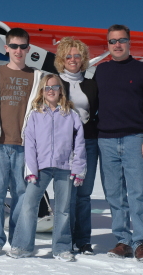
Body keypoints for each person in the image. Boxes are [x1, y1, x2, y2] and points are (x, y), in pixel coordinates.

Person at [93, 24, 143, 263]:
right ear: (108, 44)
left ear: (129, 42)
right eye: (112, 41)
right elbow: (92, 107)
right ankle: (123, 240)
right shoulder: (100, 72)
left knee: (137, 193)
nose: (117, 45)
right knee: (114, 194)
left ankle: (141, 242)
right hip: (106, 140)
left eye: (121, 40)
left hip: (135, 139)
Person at [0, 28, 43, 256]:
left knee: (21, 195)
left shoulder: (37, 77)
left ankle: (17, 240)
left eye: (22, 46)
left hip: (25, 146)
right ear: (6, 48)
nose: (18, 50)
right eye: (13, 46)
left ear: (28, 49)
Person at [7, 74, 87, 262]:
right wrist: (31, 170)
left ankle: (61, 248)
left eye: (55, 87)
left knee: (63, 209)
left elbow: (79, 144)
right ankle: (22, 246)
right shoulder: (35, 115)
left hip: (64, 167)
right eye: (47, 88)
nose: (51, 90)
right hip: (41, 169)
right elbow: (30, 144)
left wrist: (78, 169)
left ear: (61, 91)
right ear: (42, 92)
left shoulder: (71, 115)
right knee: (29, 205)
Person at [54, 37, 98, 255]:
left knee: (84, 194)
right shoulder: (53, 81)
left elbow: (97, 111)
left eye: (77, 55)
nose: (73, 59)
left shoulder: (91, 84)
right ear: (62, 59)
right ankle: (66, 238)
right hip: (64, 144)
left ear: (83, 59)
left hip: (88, 142)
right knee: (67, 194)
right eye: (68, 56)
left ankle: (83, 240)